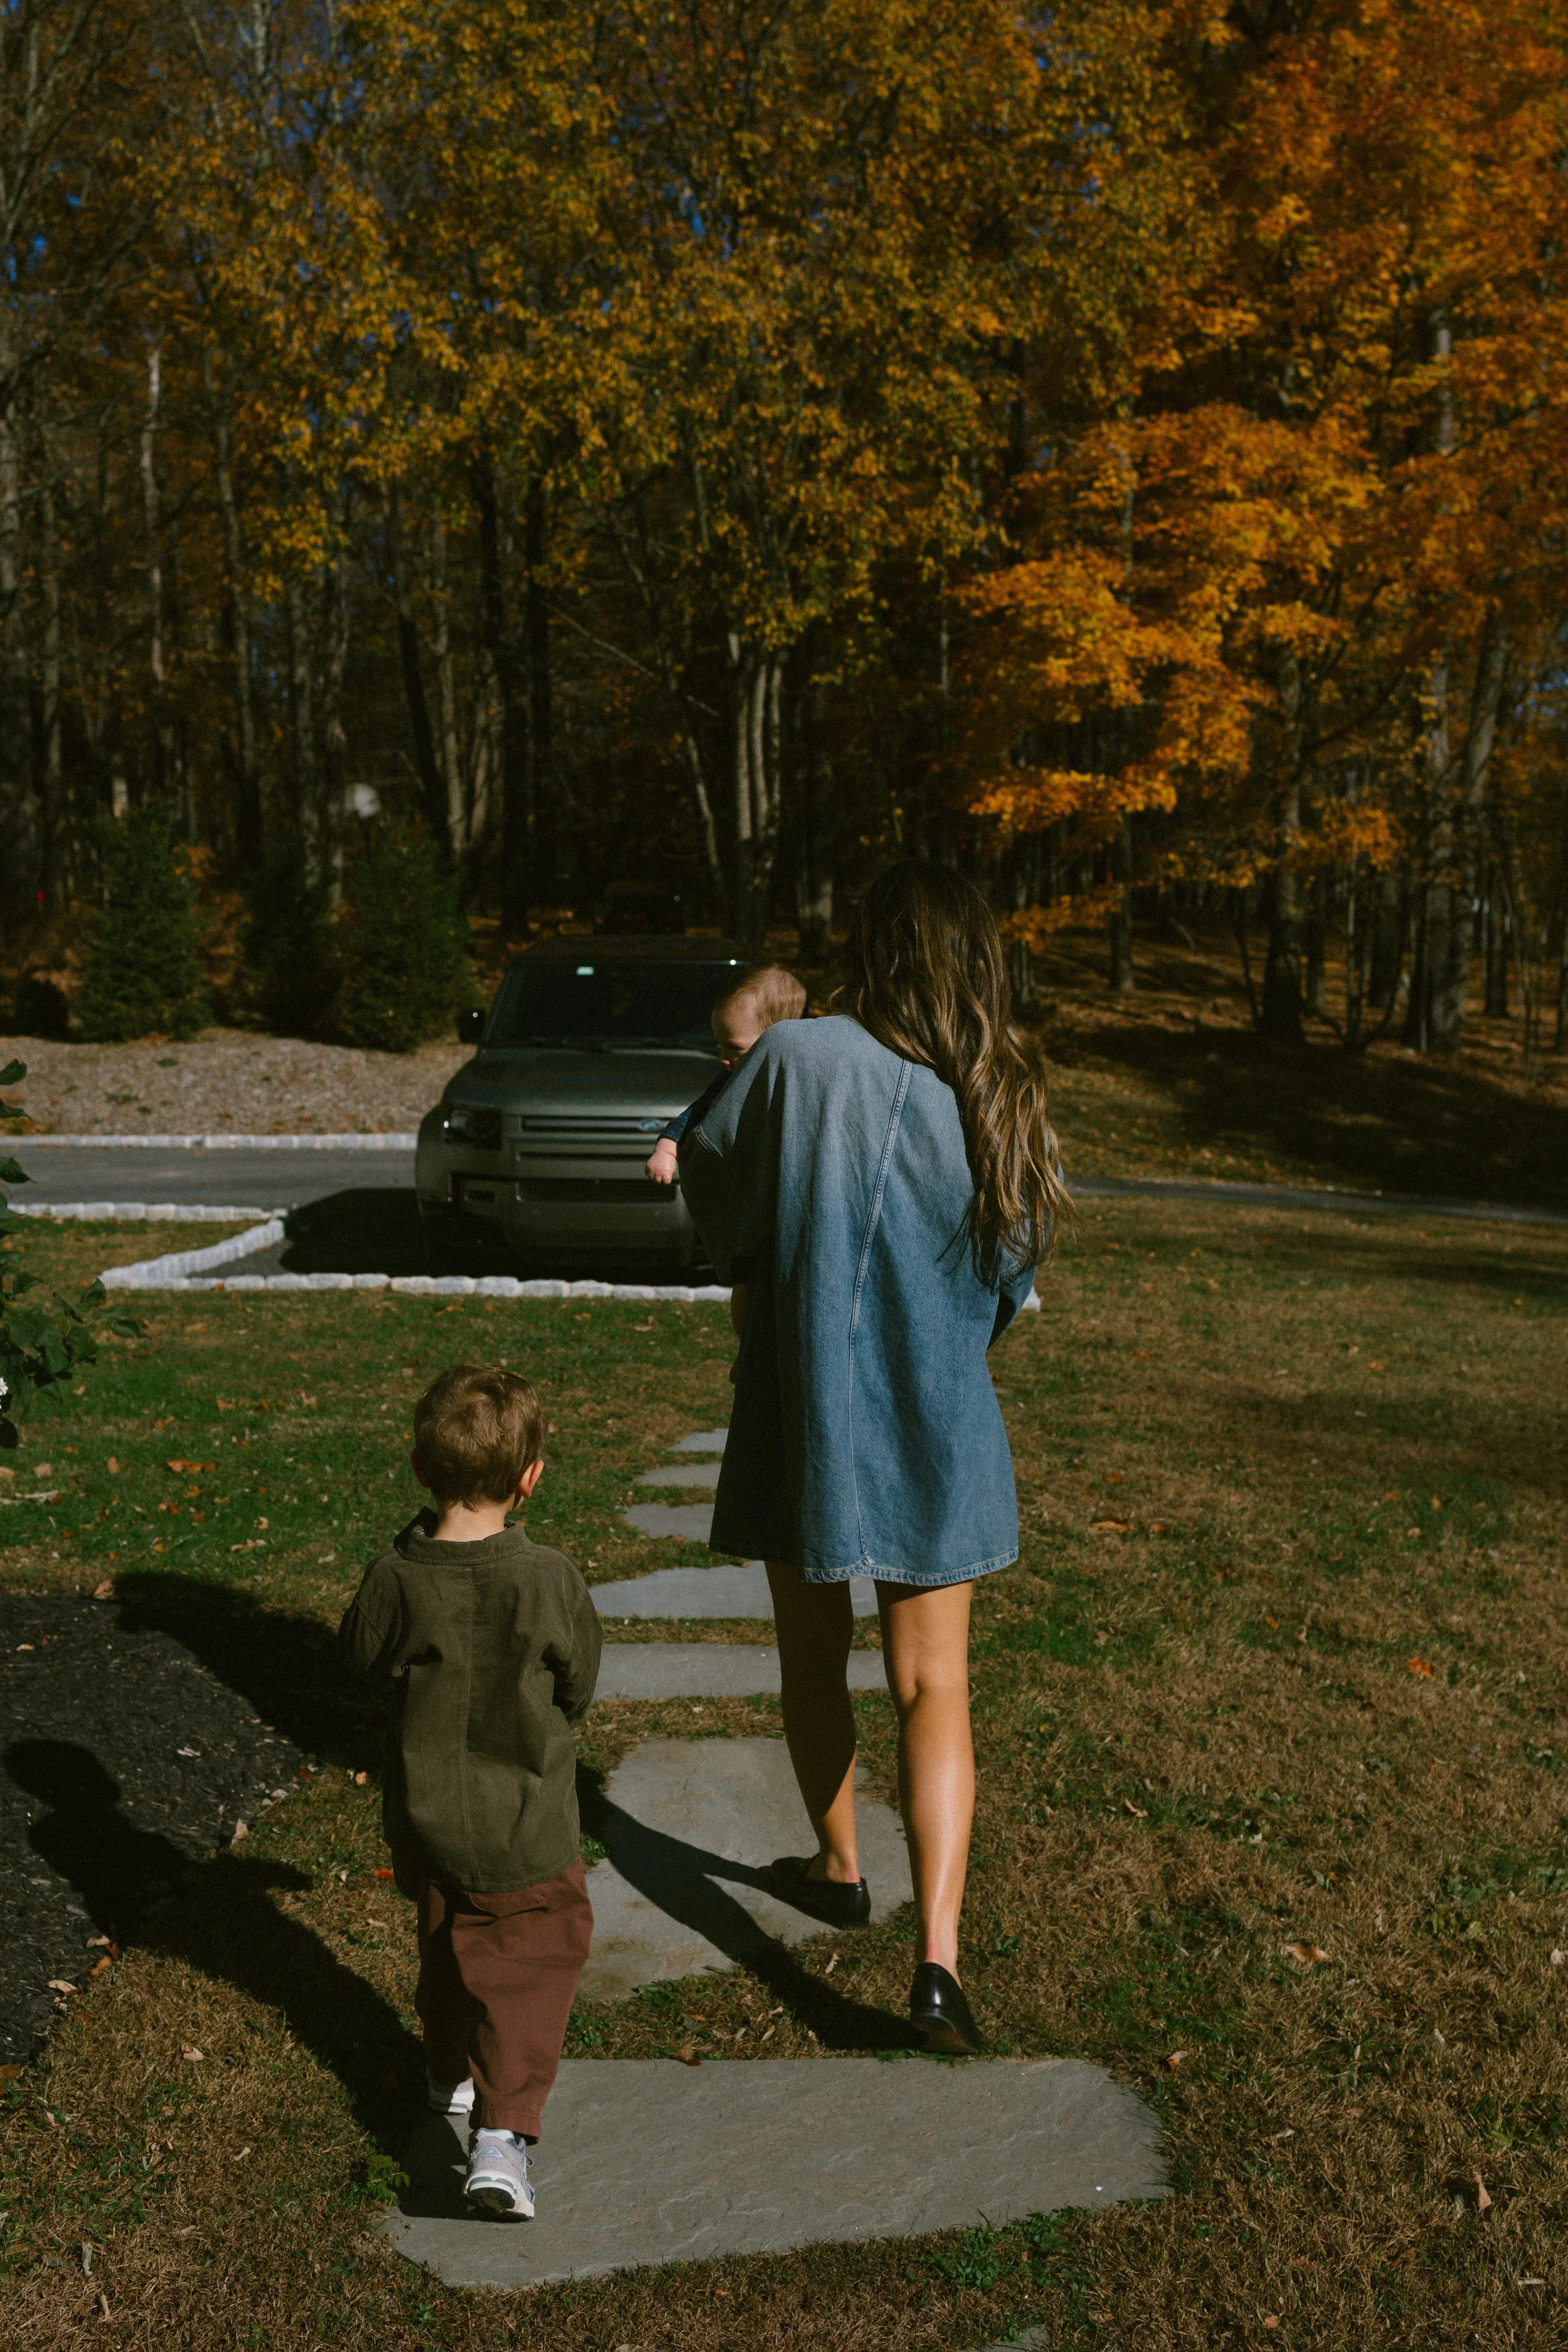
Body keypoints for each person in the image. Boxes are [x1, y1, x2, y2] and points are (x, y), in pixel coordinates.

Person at [679, 863, 1066, 2055]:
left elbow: (719, 1205)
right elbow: (1011, 1288)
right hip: (938, 1424)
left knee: (812, 1660)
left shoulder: (796, 1062)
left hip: (806, 1414)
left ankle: (841, 1865)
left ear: (872, 949)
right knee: (932, 1687)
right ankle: (938, 1960)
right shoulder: (1000, 1092)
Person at [337, 1364, 601, 2220]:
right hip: (527, 1823)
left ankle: (448, 2068)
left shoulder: (394, 1576)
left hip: (425, 1813)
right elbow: (579, 1680)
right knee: (527, 1963)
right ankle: (501, 2135)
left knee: (447, 1939)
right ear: (530, 1479)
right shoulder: (549, 1576)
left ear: (422, 1470)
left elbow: (360, 1662)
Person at [644, 965, 808, 1187]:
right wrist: (666, 1149)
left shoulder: (805, 1083)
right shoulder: (730, 1081)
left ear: (778, 1040)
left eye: (734, 1048)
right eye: (720, 1046)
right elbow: (695, 1114)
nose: (723, 1058)